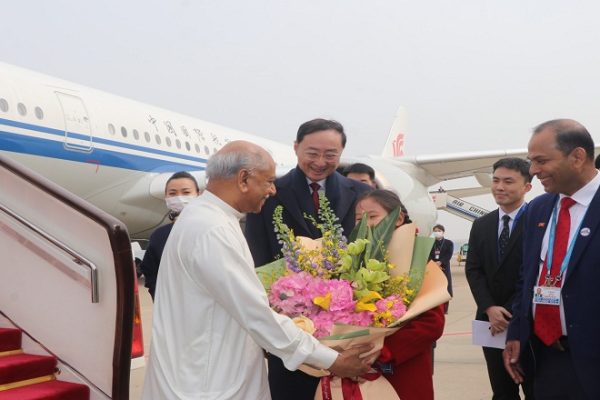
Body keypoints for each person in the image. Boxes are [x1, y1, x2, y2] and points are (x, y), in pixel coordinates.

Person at [142, 141, 373, 400]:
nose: (272, 190)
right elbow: (256, 314)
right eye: (269, 181)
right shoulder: (213, 230)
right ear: (243, 179)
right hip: (207, 383)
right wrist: (332, 360)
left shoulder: (204, 216)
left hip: (197, 372)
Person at [244, 118, 372, 400]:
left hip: (349, 328)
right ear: (296, 148)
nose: (320, 162)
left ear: (341, 153)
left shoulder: (363, 195)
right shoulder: (269, 193)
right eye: (312, 153)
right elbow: (258, 255)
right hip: (290, 325)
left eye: (330, 155)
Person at [503, 119, 600, 399]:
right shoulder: (538, 209)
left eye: (541, 161)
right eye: (531, 161)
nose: (533, 171)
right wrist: (516, 332)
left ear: (577, 157)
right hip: (546, 358)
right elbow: (527, 277)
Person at [355, 189, 445, 400]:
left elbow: (432, 323)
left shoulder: (417, 262)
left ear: (398, 218)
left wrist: (382, 351)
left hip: (404, 370)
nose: (365, 224)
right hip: (358, 370)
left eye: (373, 216)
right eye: (359, 219)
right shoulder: (351, 261)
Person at [465, 157, 534, 399]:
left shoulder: (538, 221)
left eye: (508, 181)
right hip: (491, 324)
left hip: (527, 322)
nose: (500, 187)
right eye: (495, 181)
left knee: (536, 389)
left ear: (527, 186)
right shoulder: (481, 224)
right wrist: (489, 308)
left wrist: (508, 311)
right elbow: (473, 269)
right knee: (502, 391)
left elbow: (534, 273)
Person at [140, 171, 200, 300]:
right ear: (166, 196)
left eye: (186, 192)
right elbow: (150, 271)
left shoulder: (209, 230)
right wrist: (159, 296)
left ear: (198, 194)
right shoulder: (159, 235)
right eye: (172, 193)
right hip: (170, 305)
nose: (179, 197)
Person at [428, 224, 454, 313]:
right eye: (435, 231)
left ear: (443, 232)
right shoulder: (430, 243)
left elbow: (449, 255)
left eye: (439, 231)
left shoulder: (449, 243)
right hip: (433, 268)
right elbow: (428, 255)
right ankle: (435, 308)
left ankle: (445, 309)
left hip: (444, 268)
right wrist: (434, 263)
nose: (437, 232)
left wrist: (440, 262)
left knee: (445, 287)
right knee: (435, 288)